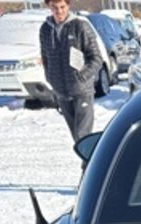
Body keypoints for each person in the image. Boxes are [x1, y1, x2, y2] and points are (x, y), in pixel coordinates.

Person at [39, 0, 104, 144]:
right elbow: (45, 57)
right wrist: (50, 77)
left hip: (82, 92)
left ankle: (88, 166)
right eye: (54, 7)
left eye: (62, 7)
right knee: (76, 137)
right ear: (49, 7)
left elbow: (96, 58)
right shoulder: (45, 29)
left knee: (83, 136)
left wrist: (82, 77)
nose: (59, 11)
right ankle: (88, 164)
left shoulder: (80, 26)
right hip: (62, 93)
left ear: (68, 6)